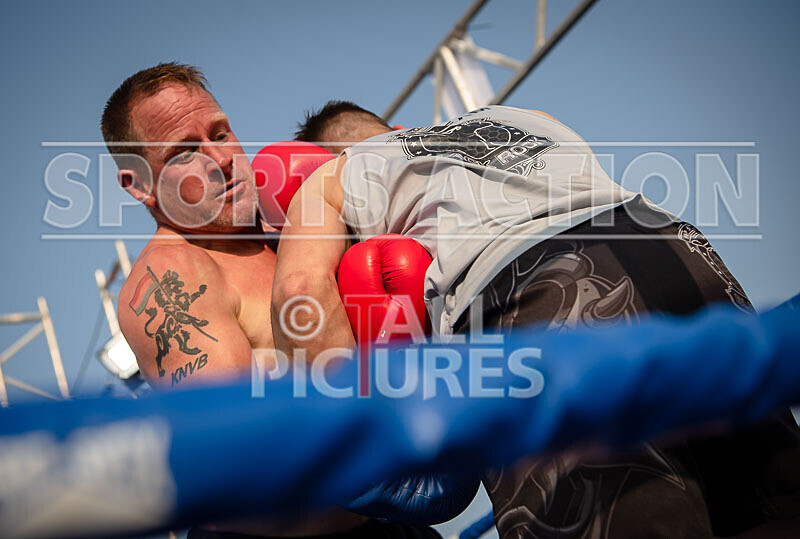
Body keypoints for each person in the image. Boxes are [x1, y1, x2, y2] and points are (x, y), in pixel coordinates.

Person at [274, 101, 800, 537]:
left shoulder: (330, 175)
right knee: (773, 507)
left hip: (536, 290)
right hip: (674, 249)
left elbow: (300, 293)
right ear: (397, 129)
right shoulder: (517, 114)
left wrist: (361, 449)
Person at [102, 64, 441, 538]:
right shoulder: (172, 281)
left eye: (220, 133)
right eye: (184, 152)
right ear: (139, 184)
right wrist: (392, 490)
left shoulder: (292, 222)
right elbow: (240, 466)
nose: (220, 158)